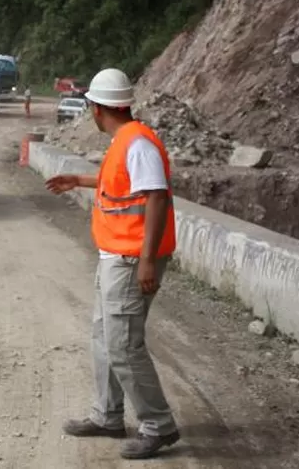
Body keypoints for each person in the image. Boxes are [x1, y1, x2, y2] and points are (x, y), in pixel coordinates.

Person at [44, 68, 180, 460]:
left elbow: (155, 197)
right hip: (115, 257)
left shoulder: (137, 144)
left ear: (97, 108)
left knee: (124, 345)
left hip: (131, 260)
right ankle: (107, 415)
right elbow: (121, 186)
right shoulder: (125, 142)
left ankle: (158, 425)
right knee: (105, 338)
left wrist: (147, 262)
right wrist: (79, 180)